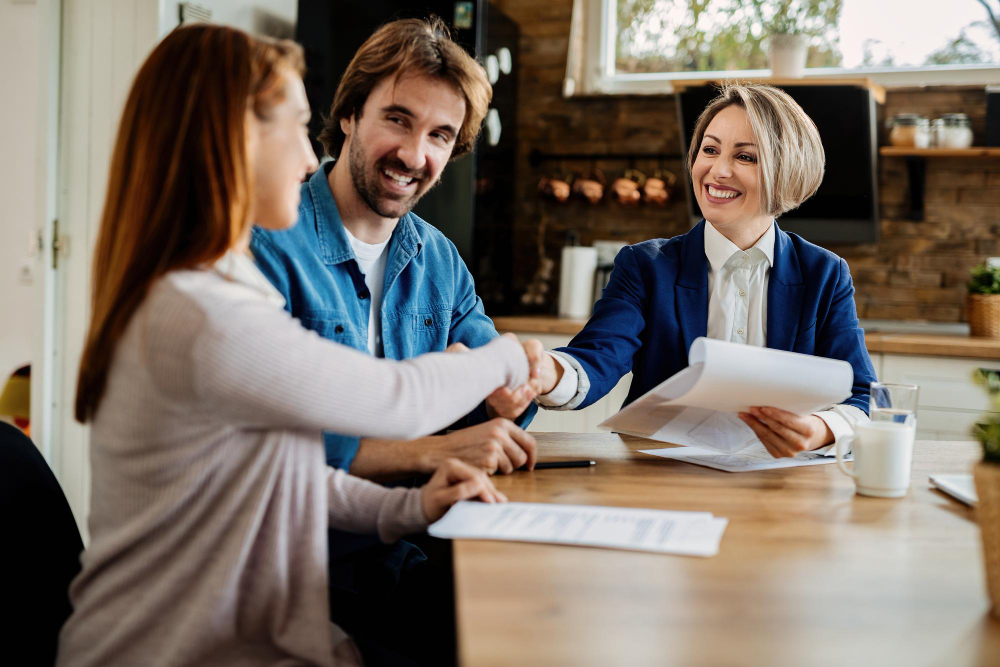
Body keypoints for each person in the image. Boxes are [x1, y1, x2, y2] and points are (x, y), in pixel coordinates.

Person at [57, 24, 542, 667]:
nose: (311, 159)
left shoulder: (223, 287)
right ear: (232, 141)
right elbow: (397, 399)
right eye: (295, 127)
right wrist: (505, 357)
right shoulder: (200, 314)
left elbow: (278, 474)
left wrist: (409, 507)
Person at [251, 17, 539, 480]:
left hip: (423, 517)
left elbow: (496, 395)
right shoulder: (267, 241)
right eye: (398, 120)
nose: (413, 154)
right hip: (311, 522)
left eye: (439, 135)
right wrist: (429, 451)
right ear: (350, 114)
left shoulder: (441, 260)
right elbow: (262, 437)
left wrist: (503, 400)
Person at [530, 83, 877, 457]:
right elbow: (599, 356)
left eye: (745, 157)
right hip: (659, 475)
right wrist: (545, 372)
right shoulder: (645, 266)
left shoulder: (825, 274)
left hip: (778, 479)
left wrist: (820, 430)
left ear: (787, 170)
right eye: (709, 150)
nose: (718, 171)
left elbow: (864, 397)